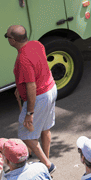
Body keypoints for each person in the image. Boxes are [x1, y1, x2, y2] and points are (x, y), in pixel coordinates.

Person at [6, 25, 56, 171]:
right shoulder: (36, 44)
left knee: (25, 134)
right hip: (51, 88)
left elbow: (31, 86)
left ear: (13, 40)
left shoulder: (23, 59)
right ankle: (45, 160)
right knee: (45, 128)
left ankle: (48, 165)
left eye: (7, 36)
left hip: (40, 96)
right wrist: (19, 87)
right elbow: (38, 68)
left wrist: (30, 113)